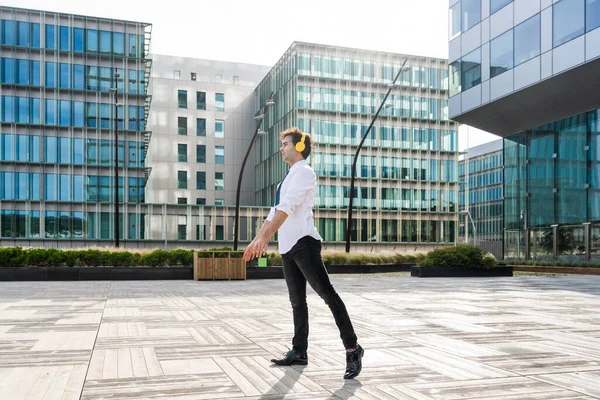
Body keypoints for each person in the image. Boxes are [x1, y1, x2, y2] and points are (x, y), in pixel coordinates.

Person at [243, 127, 364, 380]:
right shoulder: (286, 178)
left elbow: (287, 207)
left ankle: (353, 349)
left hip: (304, 243)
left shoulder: (305, 173)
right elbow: (274, 212)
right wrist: (257, 238)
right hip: (287, 246)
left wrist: (265, 237)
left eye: (285, 143)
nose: (281, 148)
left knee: (327, 294)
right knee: (297, 302)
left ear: (298, 147)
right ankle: (299, 351)